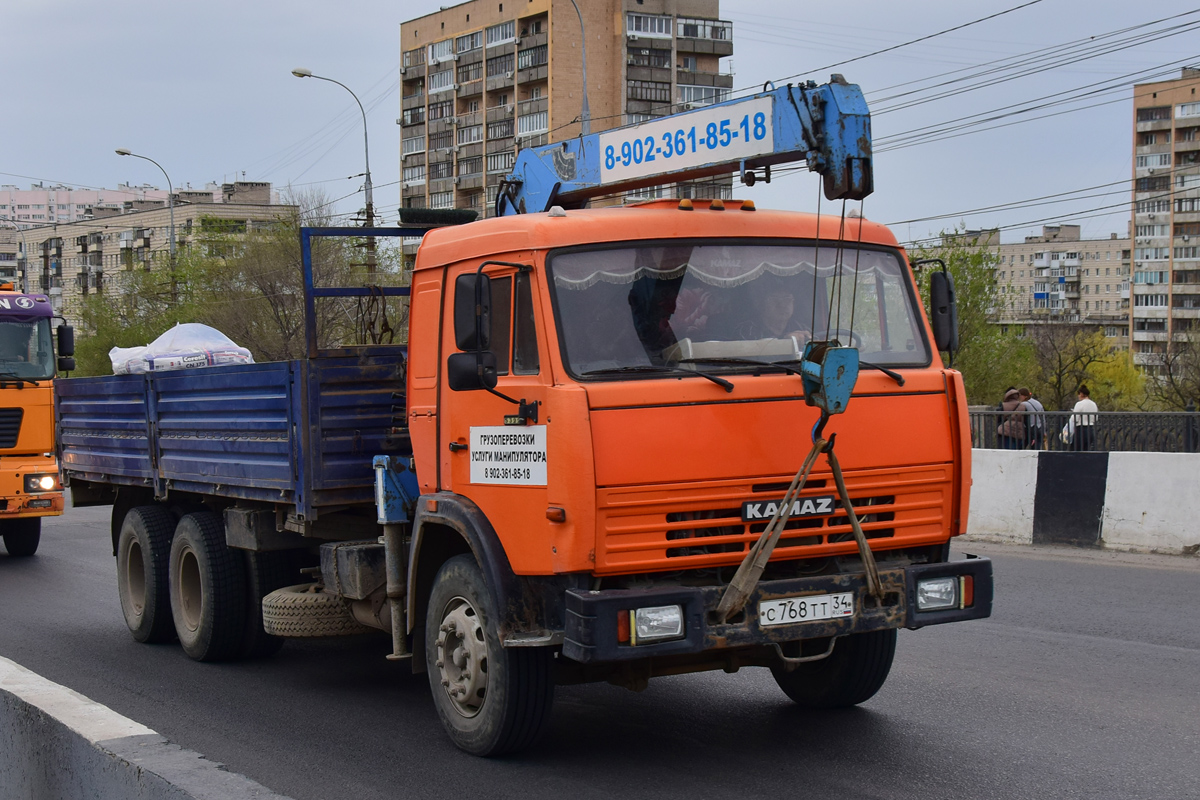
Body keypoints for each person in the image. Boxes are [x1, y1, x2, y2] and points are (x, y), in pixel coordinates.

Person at [1063, 385, 1098, 451]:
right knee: (1086, 451)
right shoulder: (1093, 404)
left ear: (1081, 394)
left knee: (1075, 450)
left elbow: (1074, 419)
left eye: (1078, 394)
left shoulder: (1079, 404)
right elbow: (1095, 418)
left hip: (1081, 430)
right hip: (1090, 430)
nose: (1078, 396)